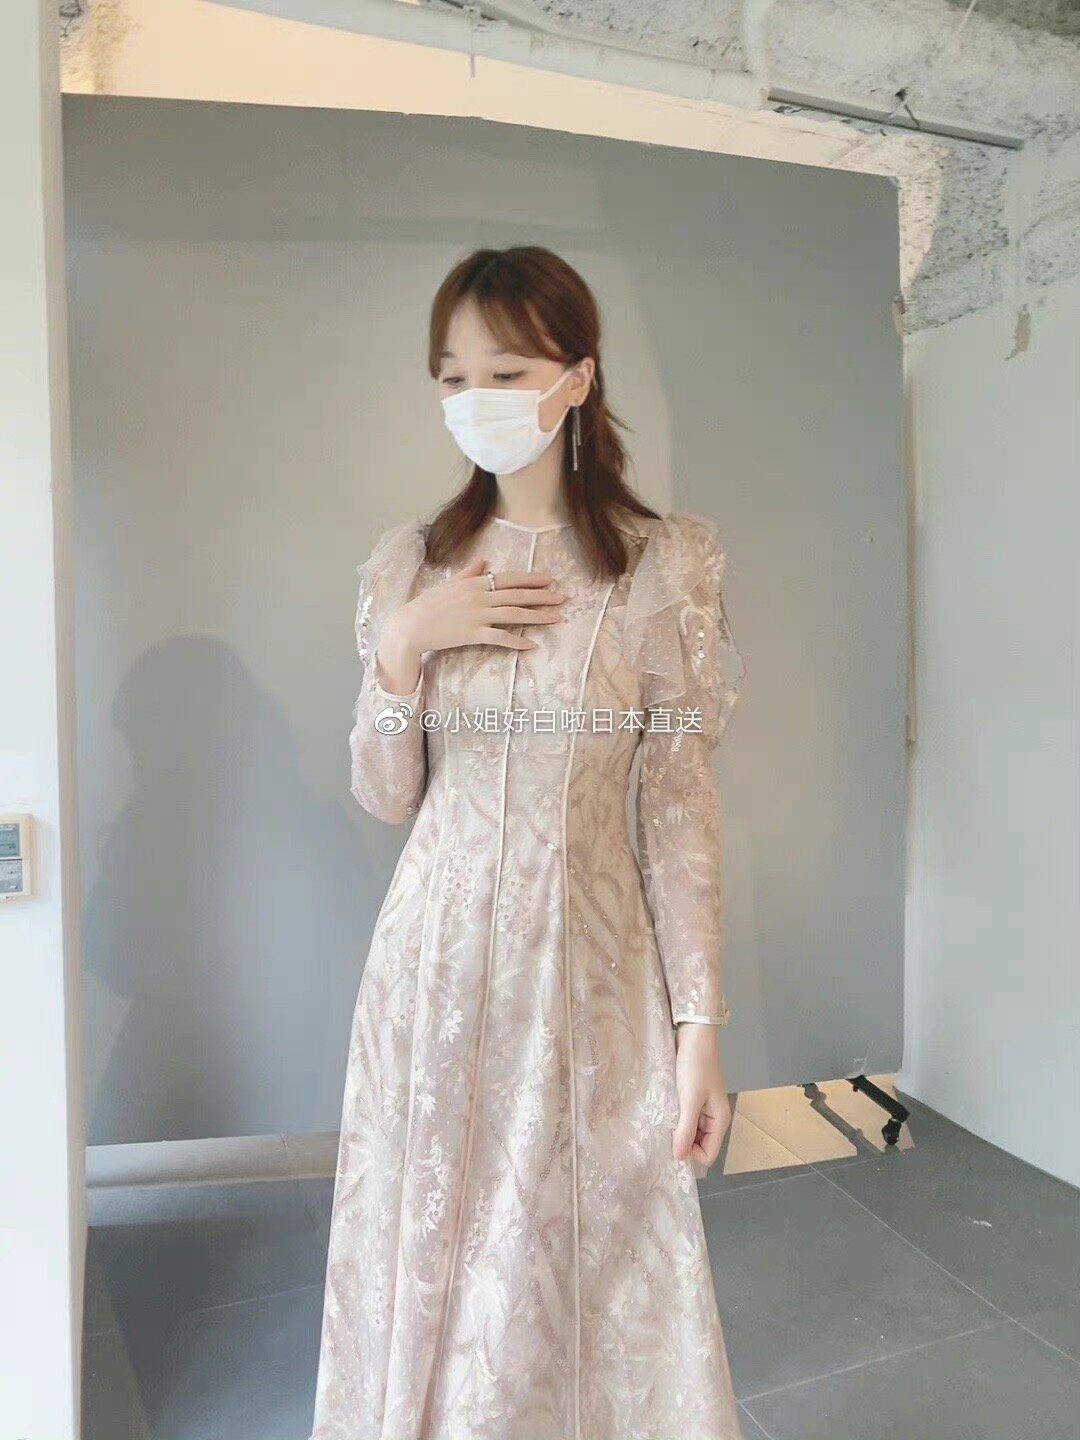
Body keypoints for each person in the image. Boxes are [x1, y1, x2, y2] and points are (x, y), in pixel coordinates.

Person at [309, 245, 745, 1440]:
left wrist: (699, 1027)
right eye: (452, 376)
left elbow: (677, 801)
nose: (473, 399)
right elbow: (386, 792)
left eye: (503, 372)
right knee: (439, 1254)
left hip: (593, 979)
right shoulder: (411, 564)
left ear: (576, 378)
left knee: (585, 1259)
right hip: (437, 973)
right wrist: (405, 646)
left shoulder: (665, 565)